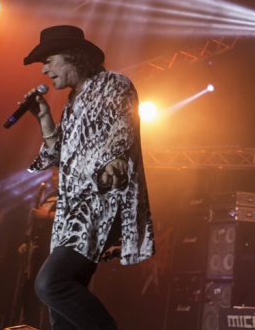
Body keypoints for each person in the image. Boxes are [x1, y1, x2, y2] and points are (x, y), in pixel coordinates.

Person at [22, 24, 155, 330]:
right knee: (61, 315)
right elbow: (57, 156)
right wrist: (44, 119)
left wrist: (115, 160)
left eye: (48, 61)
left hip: (100, 201)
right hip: (70, 210)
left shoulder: (113, 83)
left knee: (51, 284)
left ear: (72, 57)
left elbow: (123, 125)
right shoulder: (73, 101)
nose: (43, 71)